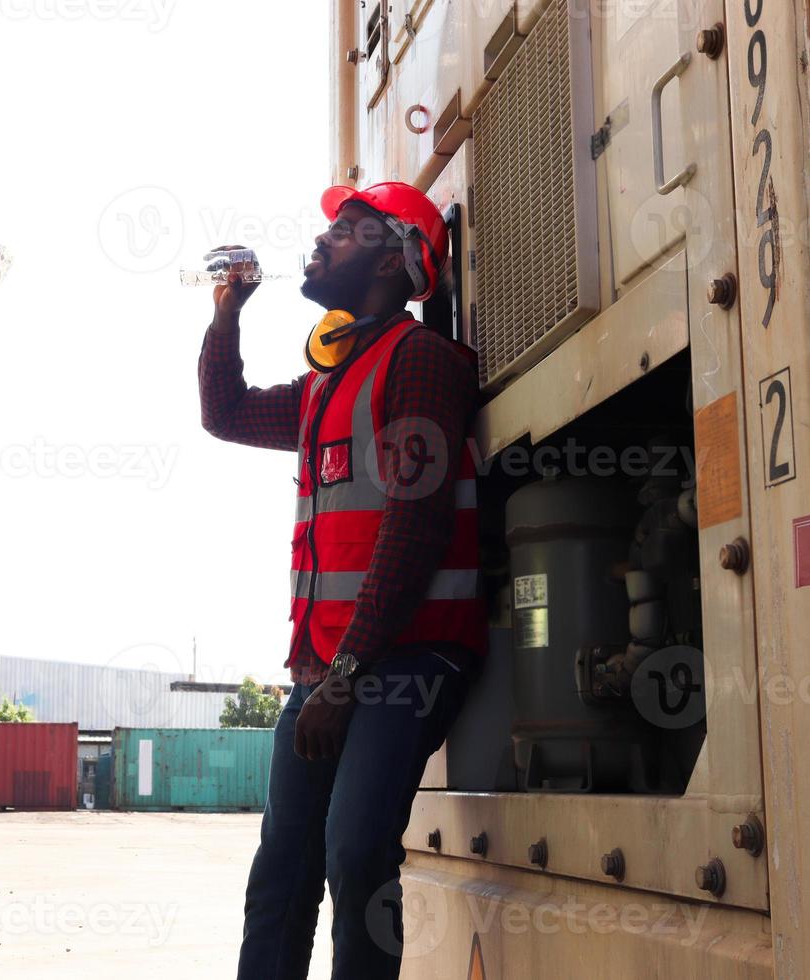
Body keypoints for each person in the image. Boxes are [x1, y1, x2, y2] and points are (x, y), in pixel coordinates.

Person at [198, 181, 487, 980]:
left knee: (355, 854)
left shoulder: (421, 360)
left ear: (399, 261)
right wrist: (228, 315)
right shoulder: (324, 387)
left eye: (351, 230)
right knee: (282, 871)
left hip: (409, 660)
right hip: (331, 667)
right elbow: (223, 413)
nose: (324, 240)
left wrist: (349, 674)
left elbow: (415, 523)